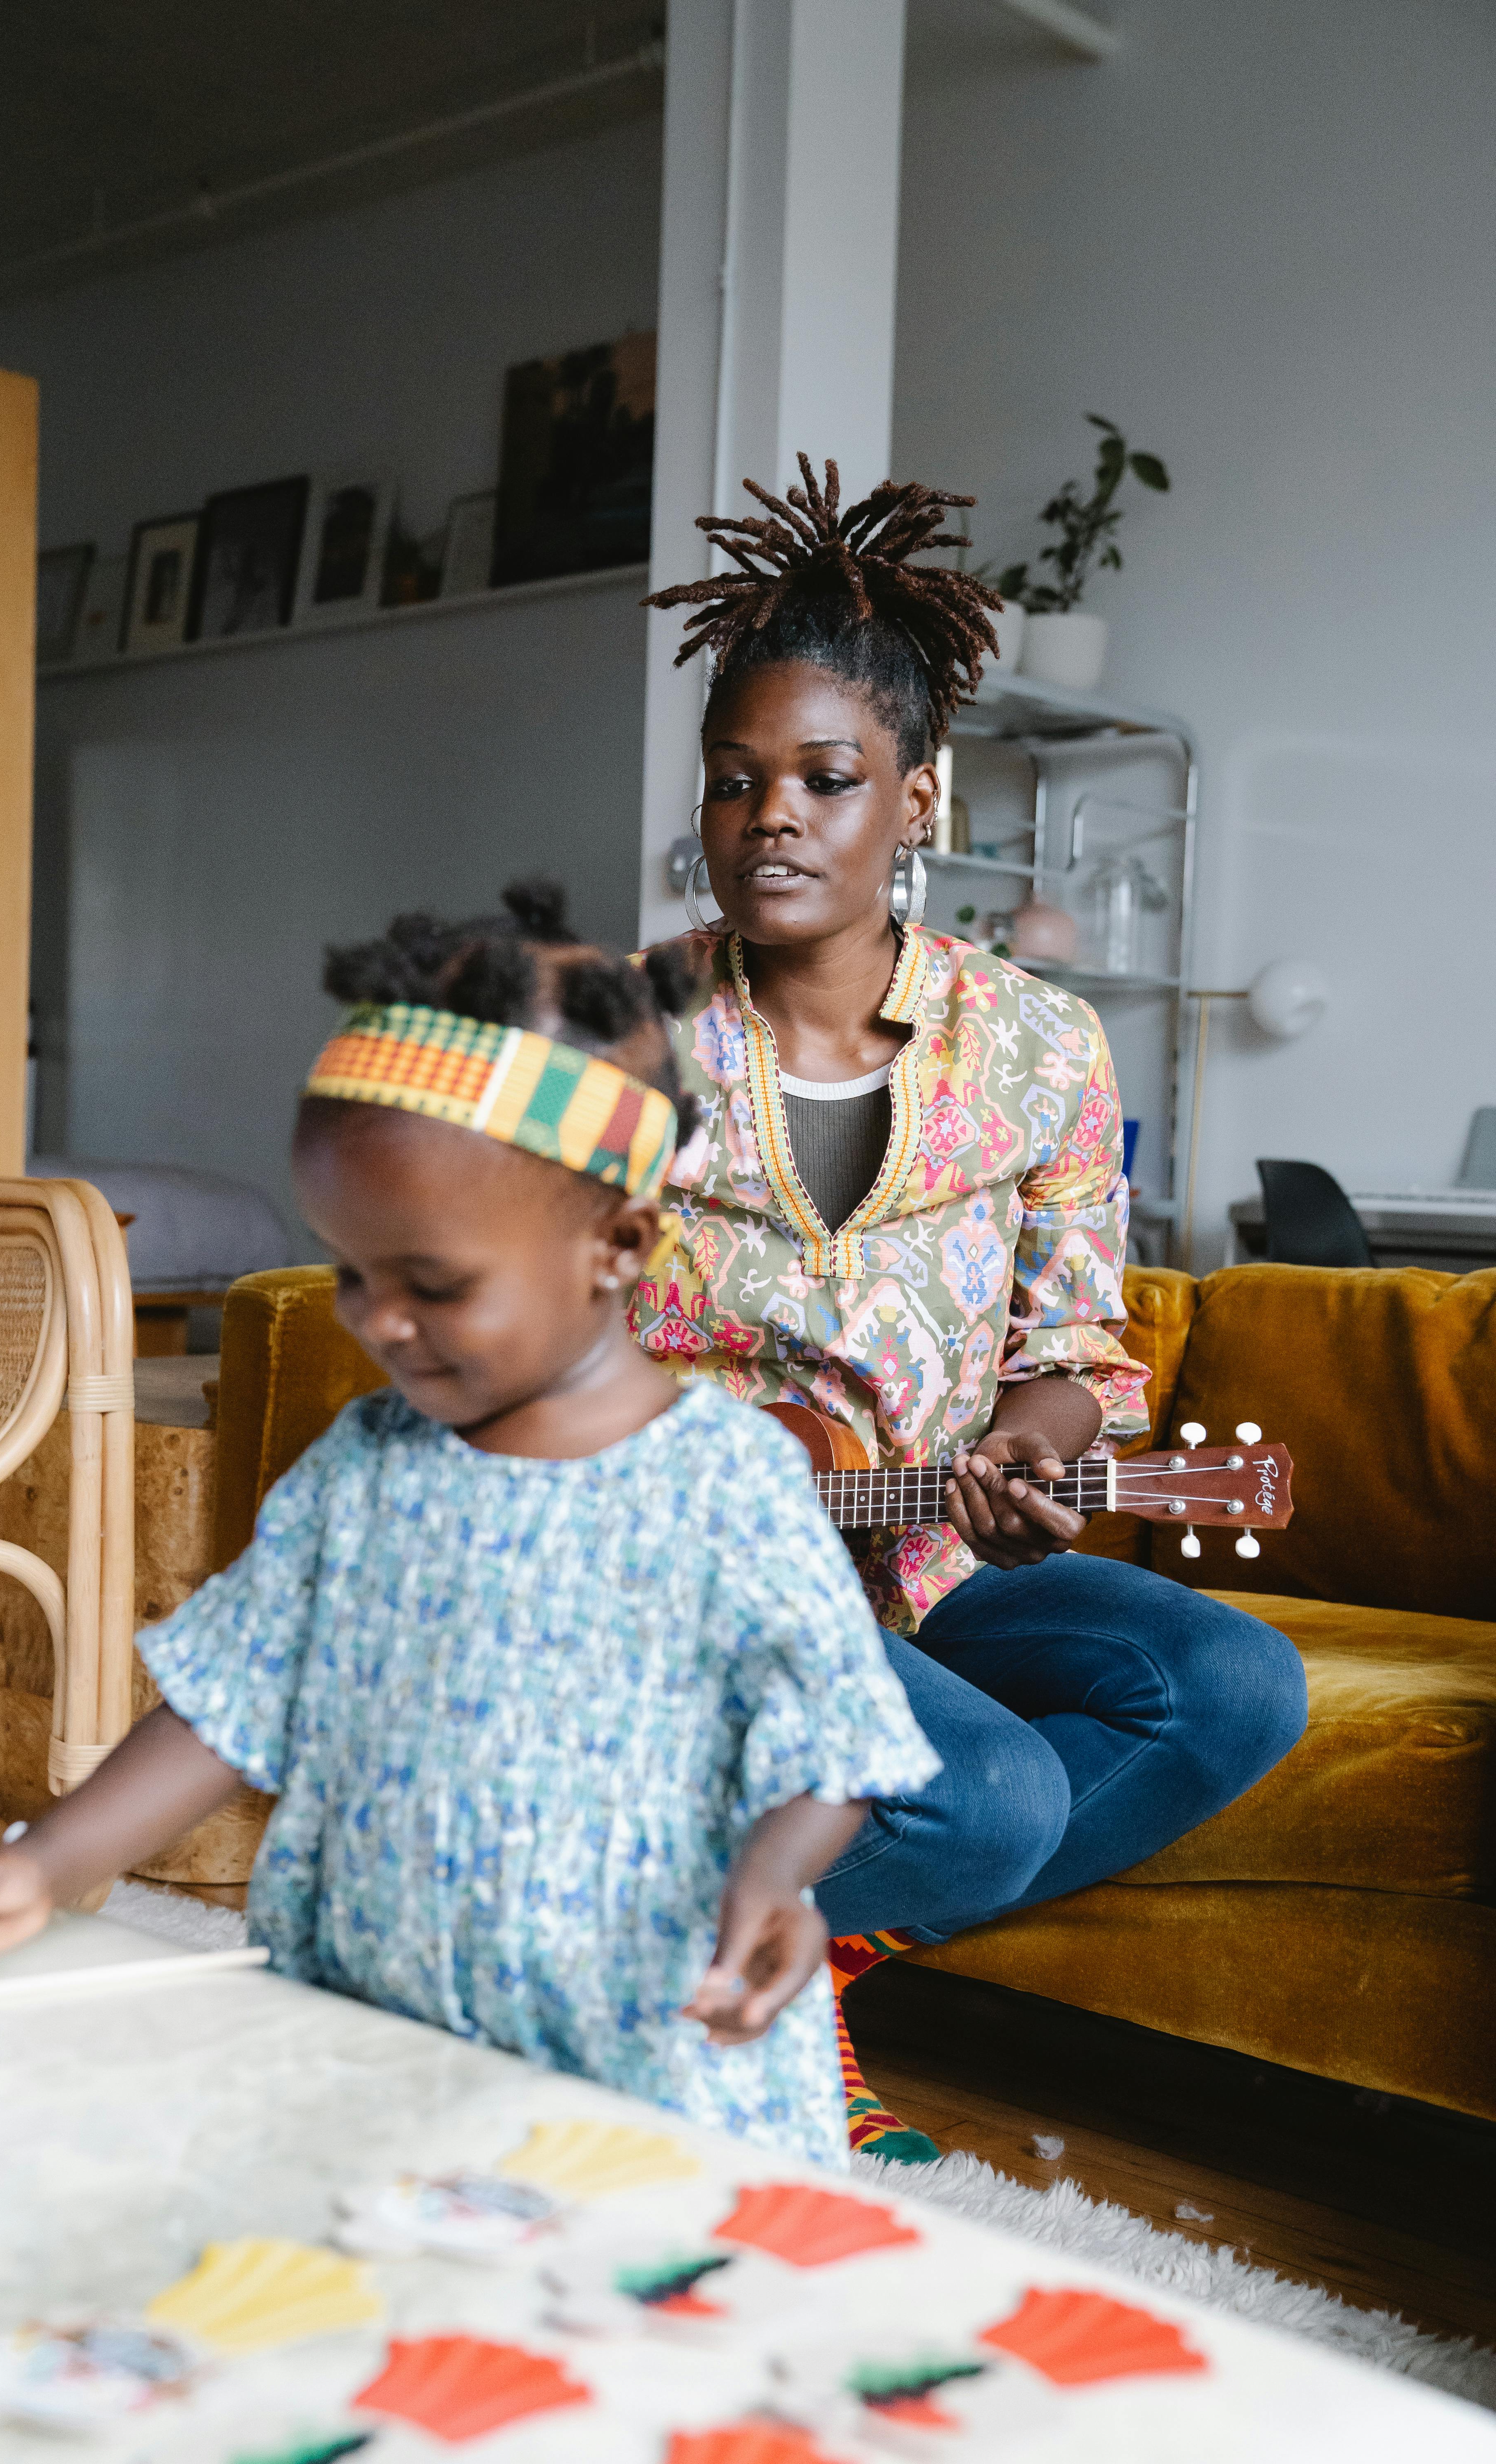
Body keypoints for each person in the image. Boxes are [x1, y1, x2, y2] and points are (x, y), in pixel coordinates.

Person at [0, 884, 939, 2170]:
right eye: (352, 1271)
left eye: (432, 1285)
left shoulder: (726, 1487)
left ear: (618, 1243)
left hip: (642, 2065)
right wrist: (43, 1863)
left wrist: (775, 1879)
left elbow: (831, 1741)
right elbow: (228, 1703)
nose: (377, 1321)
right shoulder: (364, 1470)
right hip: (378, 2026)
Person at [638, 457, 1308, 2158]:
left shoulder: (1040, 1046)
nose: (771, 815)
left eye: (825, 777)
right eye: (736, 782)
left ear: (917, 801)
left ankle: (789, 1961)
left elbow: (1079, 1343)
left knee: (1230, 1691)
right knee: (993, 1794)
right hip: (676, 1573)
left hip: (917, 1550)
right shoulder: (622, 1040)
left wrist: (1030, 1444)